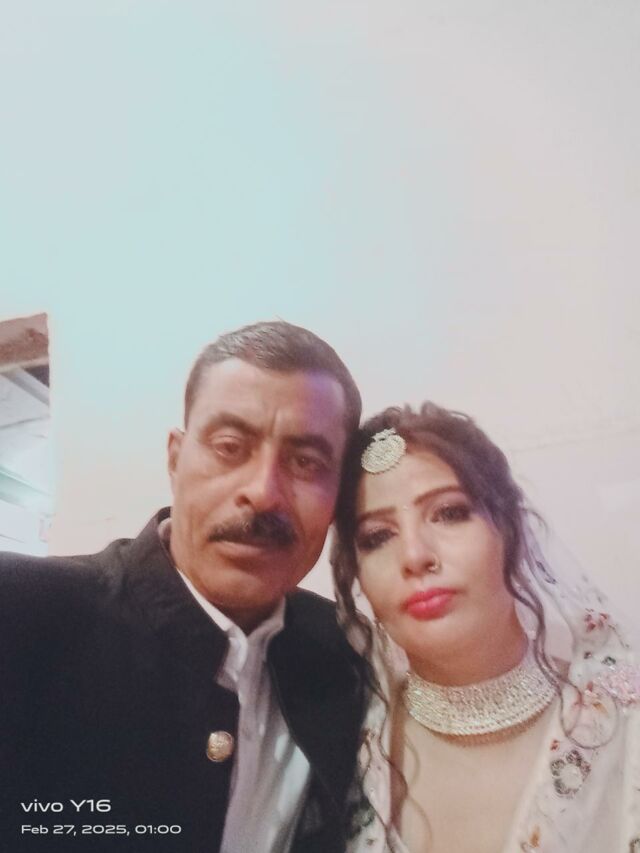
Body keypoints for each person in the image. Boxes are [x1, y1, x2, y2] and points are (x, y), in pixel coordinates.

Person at [0, 320, 368, 853]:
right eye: (229, 446)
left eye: (306, 463)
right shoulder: (23, 618)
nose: (264, 493)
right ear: (175, 458)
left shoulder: (343, 656)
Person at [331, 402, 640, 853]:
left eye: (449, 513)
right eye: (377, 536)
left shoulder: (624, 726)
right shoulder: (341, 742)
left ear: (511, 531)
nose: (415, 555)